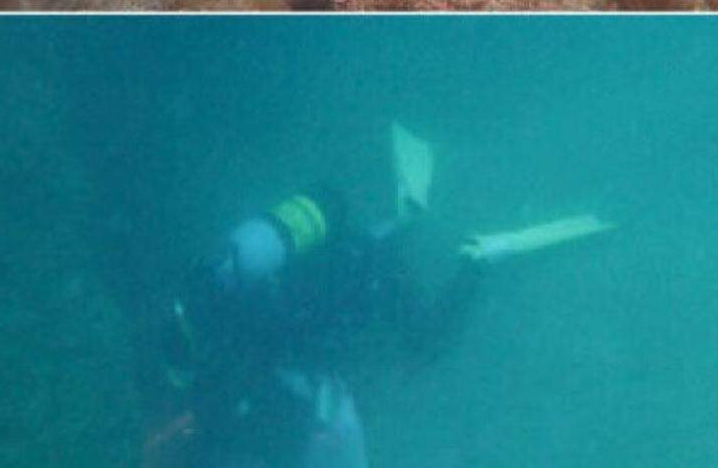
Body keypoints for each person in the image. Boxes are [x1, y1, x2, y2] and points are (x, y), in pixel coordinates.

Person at [146, 125, 610, 468]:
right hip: (339, 264)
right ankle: (406, 218)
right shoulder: (228, 286)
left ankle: (478, 258)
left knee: (424, 344)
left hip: (350, 289)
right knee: (375, 260)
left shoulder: (225, 325)